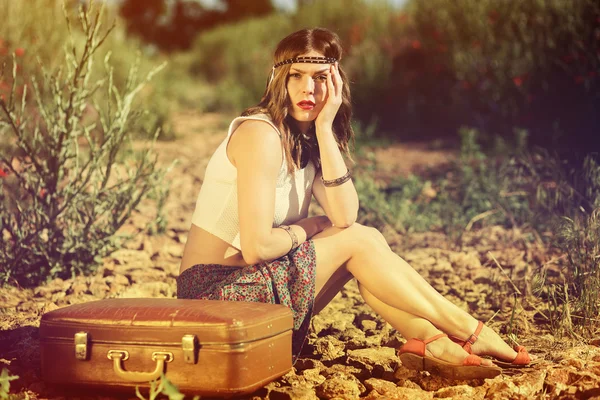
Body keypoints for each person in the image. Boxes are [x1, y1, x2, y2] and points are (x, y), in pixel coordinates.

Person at [177, 27, 530, 379]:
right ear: (278, 79)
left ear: (335, 85)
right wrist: (308, 226)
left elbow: (345, 216)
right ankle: (469, 331)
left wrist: (325, 129)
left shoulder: (303, 141)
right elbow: (257, 248)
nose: (308, 89)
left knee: (365, 241)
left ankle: (431, 339)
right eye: (296, 76)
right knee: (359, 242)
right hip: (214, 298)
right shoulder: (260, 134)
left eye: (320, 78)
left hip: (250, 290)